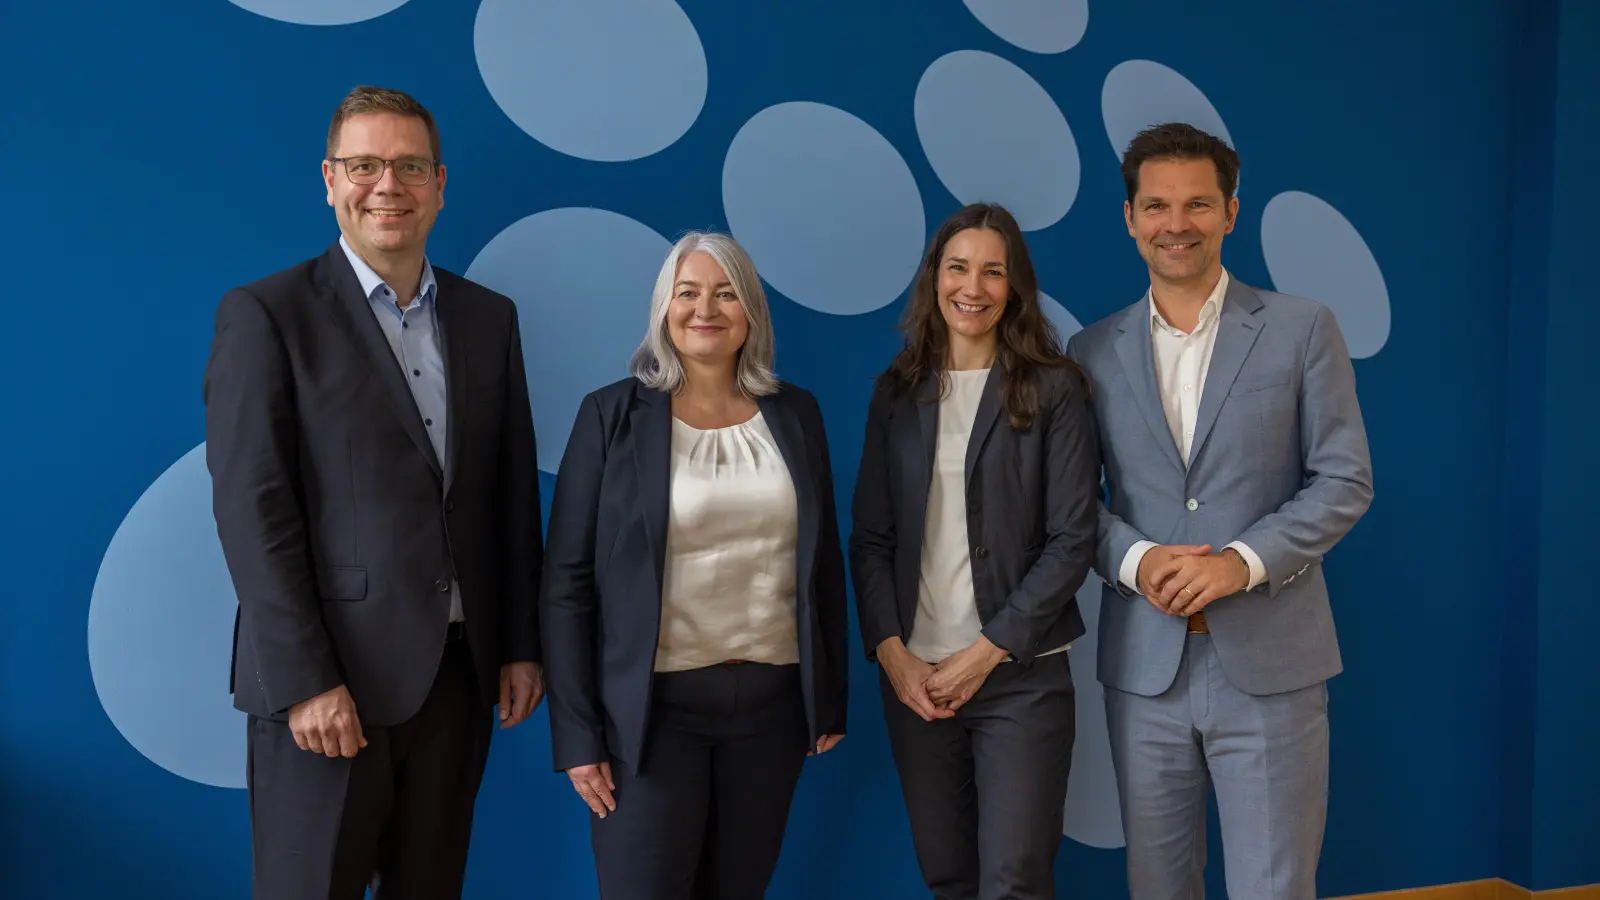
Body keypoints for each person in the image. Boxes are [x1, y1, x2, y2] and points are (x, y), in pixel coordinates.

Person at [203, 85, 544, 899]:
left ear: (439, 182)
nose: (386, 185)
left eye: (409, 166)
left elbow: (507, 493)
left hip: (459, 680)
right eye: (365, 164)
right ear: (329, 179)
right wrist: (305, 681)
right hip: (329, 689)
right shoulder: (267, 315)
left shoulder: (488, 317)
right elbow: (255, 510)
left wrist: (522, 642)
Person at [1066, 122, 1374, 900]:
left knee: (1275, 887)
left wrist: (1243, 563)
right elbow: (1072, 508)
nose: (1178, 224)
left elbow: (1344, 481)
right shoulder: (1090, 351)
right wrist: (1138, 562)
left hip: (1272, 662)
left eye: (1198, 204)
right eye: (1158, 206)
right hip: (1145, 666)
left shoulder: (1303, 328)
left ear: (1232, 212)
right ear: (1130, 217)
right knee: (1158, 886)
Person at [540, 231, 849, 900]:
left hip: (771, 714)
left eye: (725, 292)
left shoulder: (797, 414)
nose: (705, 308)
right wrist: (577, 736)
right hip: (649, 720)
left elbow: (823, 564)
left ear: (751, 312)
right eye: (688, 292)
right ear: (664, 308)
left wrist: (828, 697)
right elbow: (565, 584)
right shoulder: (609, 416)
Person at [850, 203, 1101, 900]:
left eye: (994, 272)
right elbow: (870, 539)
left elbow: (1072, 537)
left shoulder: (1055, 388)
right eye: (959, 267)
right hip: (916, 682)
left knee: (1014, 879)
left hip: (1020, 677)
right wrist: (892, 653)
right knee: (949, 875)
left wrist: (985, 651)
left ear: (1015, 287)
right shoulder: (895, 394)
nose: (974, 286)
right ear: (934, 278)